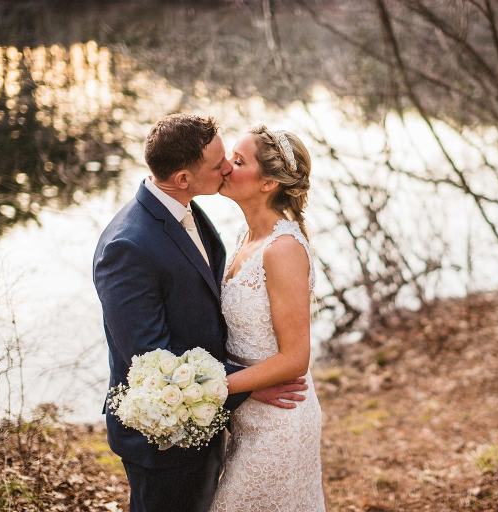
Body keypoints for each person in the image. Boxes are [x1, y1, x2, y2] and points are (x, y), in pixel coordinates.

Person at [92, 114, 307, 512]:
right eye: (219, 164)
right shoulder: (128, 247)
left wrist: (240, 386)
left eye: (233, 159)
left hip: (217, 422)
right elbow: (152, 361)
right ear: (184, 178)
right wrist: (244, 386)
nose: (226, 168)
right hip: (163, 438)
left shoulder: (189, 211)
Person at [210, 125, 325, 511]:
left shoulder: (283, 249)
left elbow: (295, 358)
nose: (225, 166)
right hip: (248, 414)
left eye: (238, 161)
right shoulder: (246, 238)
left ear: (268, 183)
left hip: (281, 421)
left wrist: (217, 387)